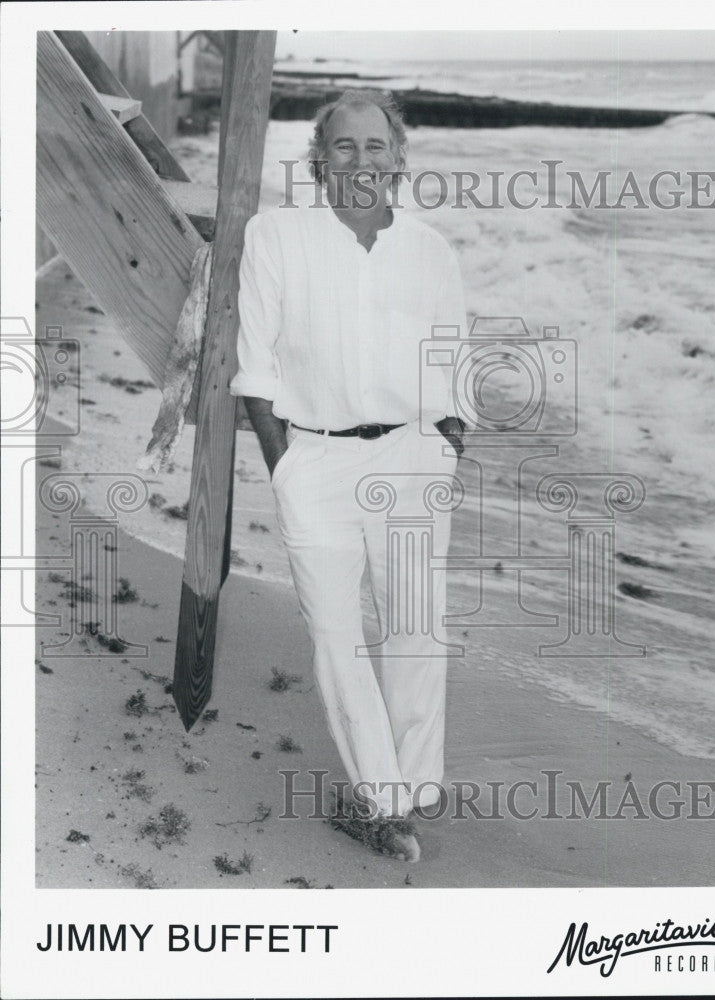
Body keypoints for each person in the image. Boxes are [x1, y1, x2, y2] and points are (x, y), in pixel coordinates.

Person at [230, 90, 467, 862]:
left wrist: (446, 446)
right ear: (319, 159)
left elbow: (452, 362)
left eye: (376, 146)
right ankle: (384, 799)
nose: (361, 161)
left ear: (397, 158)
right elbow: (256, 370)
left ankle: (411, 788)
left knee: (414, 628)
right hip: (318, 461)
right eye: (345, 146)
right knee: (335, 632)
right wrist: (287, 464)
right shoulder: (276, 236)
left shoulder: (432, 250)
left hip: (410, 455)